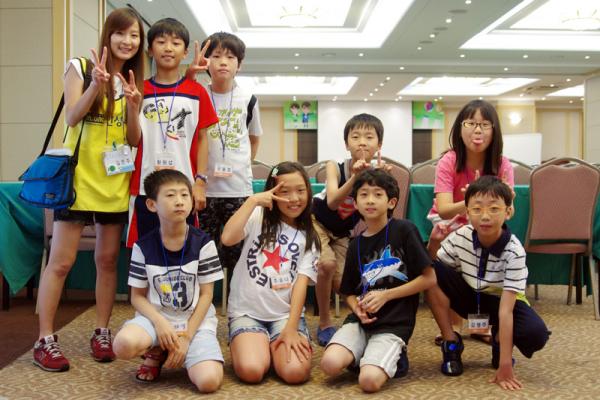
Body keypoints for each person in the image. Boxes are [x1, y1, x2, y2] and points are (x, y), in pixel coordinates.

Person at [33, 8, 145, 372]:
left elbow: (133, 140)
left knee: (107, 261)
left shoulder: (132, 81)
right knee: (61, 262)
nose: (127, 41)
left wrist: (134, 107)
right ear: (108, 35)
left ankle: (102, 331)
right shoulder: (80, 67)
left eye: (134, 35)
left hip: (114, 182)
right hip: (78, 181)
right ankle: (45, 339)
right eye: (121, 33)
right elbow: (71, 116)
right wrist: (96, 84)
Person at [426, 176, 549, 390]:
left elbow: (506, 310)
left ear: (508, 212)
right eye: (477, 209)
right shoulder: (461, 236)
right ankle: (451, 342)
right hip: (468, 296)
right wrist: (434, 242)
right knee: (429, 271)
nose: (485, 216)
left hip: (501, 303)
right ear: (467, 212)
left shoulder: (514, 252)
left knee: (535, 334)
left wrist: (505, 365)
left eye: (494, 209)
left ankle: (500, 342)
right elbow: (432, 267)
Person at [320, 169, 435, 393]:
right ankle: (370, 353)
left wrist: (386, 295)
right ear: (355, 203)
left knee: (369, 381)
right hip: (361, 322)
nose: (370, 200)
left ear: (391, 202)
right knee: (329, 364)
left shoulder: (404, 230)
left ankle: (389, 356)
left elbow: (429, 279)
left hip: (394, 324)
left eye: (377, 194)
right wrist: (356, 308)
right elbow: (348, 292)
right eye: (363, 195)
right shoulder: (355, 244)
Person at [113, 169, 224, 393]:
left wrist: (187, 337)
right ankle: (157, 349)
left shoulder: (203, 243)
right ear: (152, 205)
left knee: (208, 382)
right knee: (122, 345)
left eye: (184, 195)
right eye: (171, 195)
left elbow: (207, 295)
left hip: (195, 323)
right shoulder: (143, 246)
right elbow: (137, 297)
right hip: (157, 320)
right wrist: (160, 323)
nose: (179, 201)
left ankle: (177, 351)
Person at [221, 162, 319, 384]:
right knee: (252, 371)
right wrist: (253, 201)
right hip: (247, 313)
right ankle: (254, 345)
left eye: (300, 190)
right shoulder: (257, 215)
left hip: (284, 316)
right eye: (285, 192)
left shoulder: (310, 236)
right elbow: (227, 238)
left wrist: (291, 328)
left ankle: (269, 346)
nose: (294, 198)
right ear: (272, 192)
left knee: (295, 373)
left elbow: (301, 285)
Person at [428, 99, 515, 345]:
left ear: (494, 131)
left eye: (485, 124)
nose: (478, 130)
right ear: (460, 128)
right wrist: (472, 202)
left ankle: (480, 325)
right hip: (451, 222)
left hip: (485, 222)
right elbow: (444, 210)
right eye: (471, 123)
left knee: (490, 250)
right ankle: (454, 325)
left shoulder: (502, 164)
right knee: (451, 260)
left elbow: (509, 211)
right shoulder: (449, 161)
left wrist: (497, 204)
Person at [126, 18, 219, 247]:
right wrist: (132, 107)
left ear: (185, 52)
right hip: (144, 187)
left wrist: (200, 182)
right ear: (150, 50)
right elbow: (133, 140)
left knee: (183, 252)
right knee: (143, 253)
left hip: (184, 189)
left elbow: (202, 140)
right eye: (161, 42)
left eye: (176, 43)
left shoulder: (197, 92)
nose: (168, 48)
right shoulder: (139, 90)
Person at [312, 113, 387, 347]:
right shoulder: (334, 166)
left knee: (344, 283)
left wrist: (385, 183)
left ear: (379, 145)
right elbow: (333, 202)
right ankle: (324, 322)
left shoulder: (377, 175)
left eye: (369, 137)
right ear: (346, 144)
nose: (362, 142)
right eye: (355, 137)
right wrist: (355, 177)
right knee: (326, 265)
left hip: (342, 233)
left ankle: (362, 321)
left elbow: (380, 211)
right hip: (316, 222)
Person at [195, 31, 263, 287]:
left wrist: (242, 165)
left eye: (230, 57)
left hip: (238, 190)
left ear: (239, 64)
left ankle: (238, 305)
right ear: (206, 62)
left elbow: (254, 138)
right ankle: (205, 305)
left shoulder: (249, 99)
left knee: (240, 253)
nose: (223, 62)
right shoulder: (197, 95)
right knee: (204, 253)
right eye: (216, 56)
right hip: (205, 190)